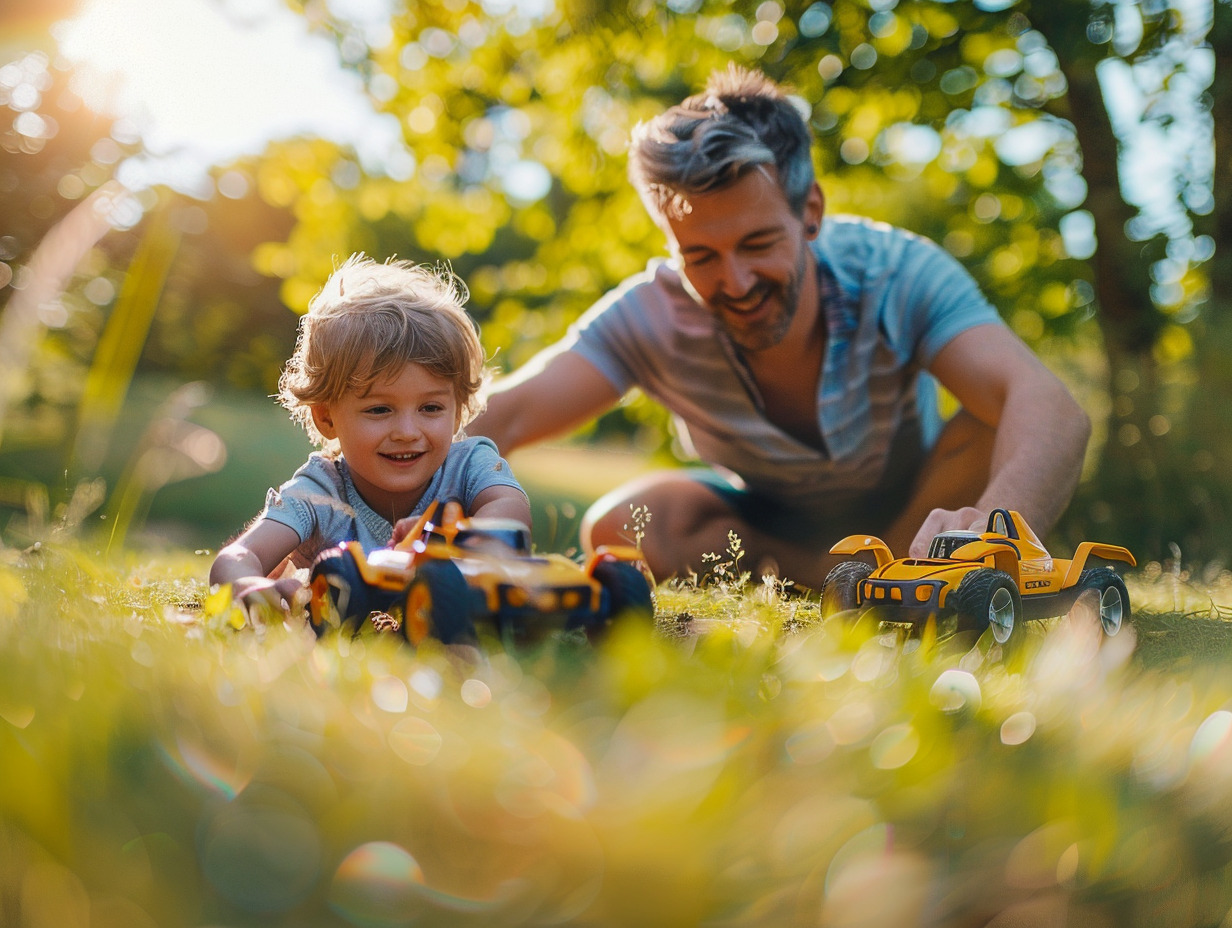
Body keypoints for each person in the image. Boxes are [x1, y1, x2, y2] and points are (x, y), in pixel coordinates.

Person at [468, 65, 1090, 591]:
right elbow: (509, 414)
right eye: (701, 257)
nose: (735, 283)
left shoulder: (896, 271)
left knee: (995, 416)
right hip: (770, 522)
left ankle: (901, 568)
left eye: (758, 243)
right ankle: (840, 580)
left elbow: (1050, 407)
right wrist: (390, 502)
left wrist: (993, 526)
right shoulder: (647, 314)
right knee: (624, 522)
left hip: (915, 508)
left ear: (810, 212)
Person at [210, 254, 531, 615]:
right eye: (380, 410)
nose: (408, 433)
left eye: (430, 408)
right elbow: (239, 556)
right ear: (326, 417)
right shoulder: (320, 492)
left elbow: (512, 513)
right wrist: (246, 583)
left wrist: (456, 539)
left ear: (457, 409)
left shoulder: (469, 465)